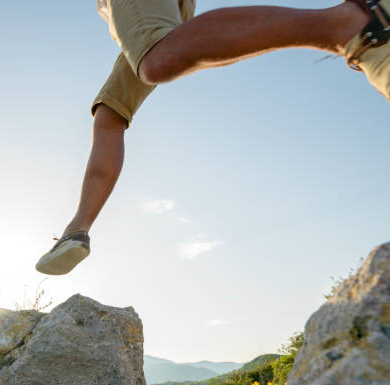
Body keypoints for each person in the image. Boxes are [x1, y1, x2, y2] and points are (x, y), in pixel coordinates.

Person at [35, 0, 389, 275]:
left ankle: (349, 24)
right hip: (163, 15)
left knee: (158, 57)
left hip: (155, 19)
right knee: (110, 116)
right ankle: (77, 229)